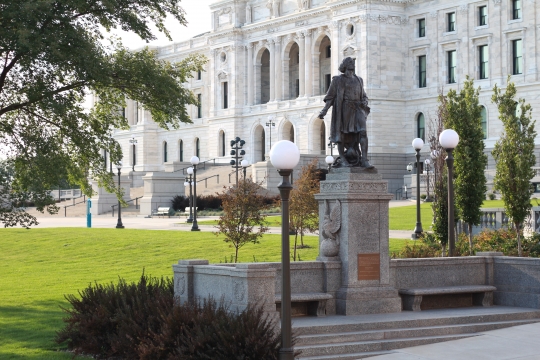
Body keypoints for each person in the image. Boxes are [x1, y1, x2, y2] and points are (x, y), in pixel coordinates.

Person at [318, 57, 373, 168]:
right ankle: (342, 159)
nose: (352, 63)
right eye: (349, 62)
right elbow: (330, 97)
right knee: (341, 135)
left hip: (357, 108)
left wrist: (364, 101)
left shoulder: (359, 80)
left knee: (363, 132)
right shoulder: (337, 80)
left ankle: (364, 160)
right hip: (344, 109)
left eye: (353, 62)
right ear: (344, 65)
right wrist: (324, 111)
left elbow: (364, 95)